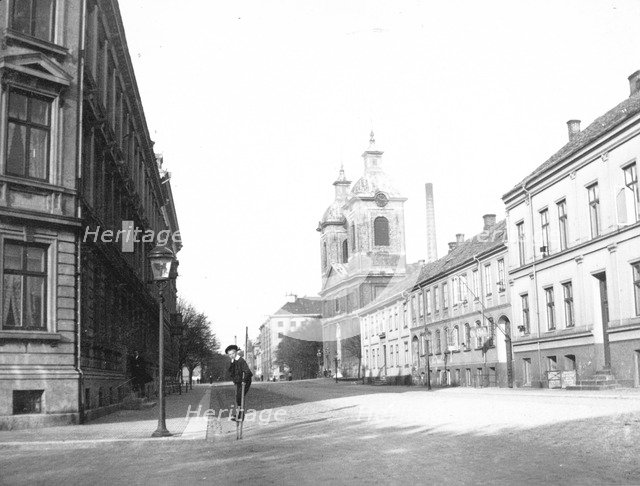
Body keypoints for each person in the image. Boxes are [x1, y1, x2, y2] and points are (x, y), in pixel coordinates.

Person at [225, 344, 252, 421]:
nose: (231, 356)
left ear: (236, 353)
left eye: (233, 354)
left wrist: (244, 381)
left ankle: (241, 415)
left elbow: (248, 372)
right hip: (239, 382)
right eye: (229, 354)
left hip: (245, 381)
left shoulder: (241, 360)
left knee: (240, 397)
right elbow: (232, 371)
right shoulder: (233, 361)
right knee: (238, 398)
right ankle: (239, 414)